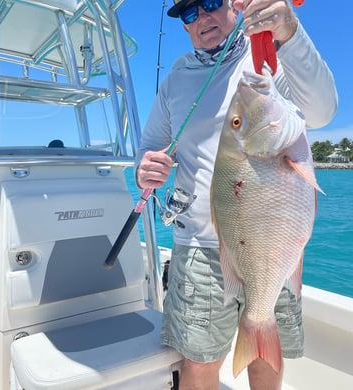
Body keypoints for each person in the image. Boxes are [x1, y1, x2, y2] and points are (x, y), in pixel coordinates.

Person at [135, 0, 337, 389]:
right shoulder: (175, 81)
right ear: (184, 27)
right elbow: (149, 145)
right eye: (189, 14)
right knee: (198, 361)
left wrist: (289, 31)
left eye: (210, 4)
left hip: (273, 242)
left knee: (266, 357)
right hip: (199, 245)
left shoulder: (267, 54)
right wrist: (144, 167)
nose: (202, 18)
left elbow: (322, 111)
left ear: (233, 5)